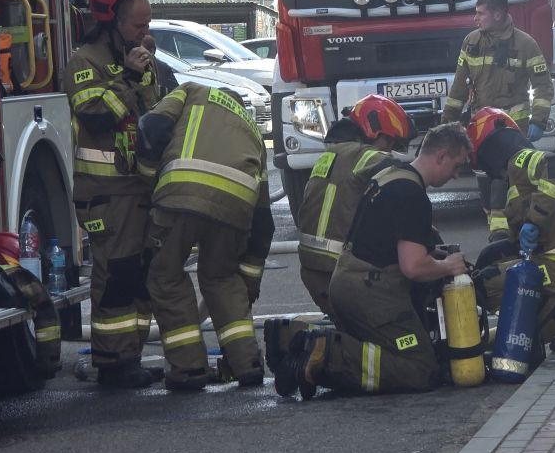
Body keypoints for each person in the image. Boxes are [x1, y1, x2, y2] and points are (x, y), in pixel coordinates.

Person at [274, 123, 470, 399]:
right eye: (457, 165)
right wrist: (449, 266)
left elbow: (385, 239)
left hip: (346, 286)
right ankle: (324, 351)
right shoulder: (412, 194)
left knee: (373, 352)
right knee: (420, 368)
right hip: (372, 297)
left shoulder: (390, 177)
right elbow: (412, 267)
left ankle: (288, 337)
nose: (456, 174)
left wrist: (431, 253)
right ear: (441, 156)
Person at [136, 83, 274, 391]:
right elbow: (264, 221)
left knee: (165, 276)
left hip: (182, 192)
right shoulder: (252, 130)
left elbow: (152, 127)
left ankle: (189, 368)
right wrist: (248, 284)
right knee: (222, 278)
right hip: (237, 205)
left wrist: (148, 183)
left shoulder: (192, 91)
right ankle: (247, 363)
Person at [62, 0, 162, 388]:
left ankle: (130, 356)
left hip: (138, 188)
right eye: (138, 26)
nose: (144, 33)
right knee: (116, 275)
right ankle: (112, 362)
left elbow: (155, 112)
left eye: (147, 24)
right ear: (112, 20)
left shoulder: (138, 57)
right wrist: (130, 77)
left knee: (139, 276)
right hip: (106, 194)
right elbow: (96, 114)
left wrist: (146, 70)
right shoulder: (85, 62)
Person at [263, 96, 413, 368]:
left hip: (314, 272)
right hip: (344, 275)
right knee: (397, 341)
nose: (391, 150)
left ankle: (290, 337)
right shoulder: (368, 157)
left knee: (351, 331)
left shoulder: (330, 155)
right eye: (391, 142)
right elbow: (405, 190)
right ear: (375, 133)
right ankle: (319, 352)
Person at [468, 108, 555, 354]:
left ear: (490, 152)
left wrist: (533, 222)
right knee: (530, 332)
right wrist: (496, 250)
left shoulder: (520, 160)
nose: (495, 175)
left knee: (487, 284)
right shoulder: (520, 181)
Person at [441, 0, 555, 241]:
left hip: (512, 129)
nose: (475, 19)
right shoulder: (471, 42)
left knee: (508, 182)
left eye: (480, 14)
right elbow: (459, 87)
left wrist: (538, 119)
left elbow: (543, 85)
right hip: (481, 129)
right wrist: (447, 122)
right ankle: (499, 231)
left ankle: (506, 234)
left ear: (498, 14)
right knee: (485, 183)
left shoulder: (525, 44)